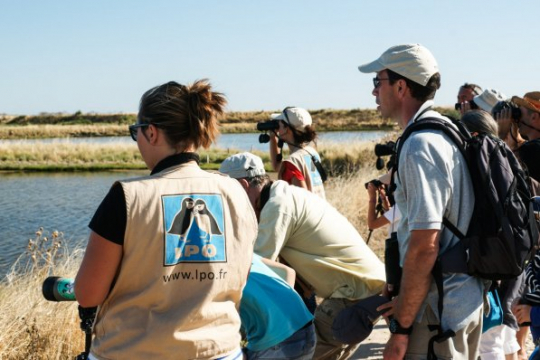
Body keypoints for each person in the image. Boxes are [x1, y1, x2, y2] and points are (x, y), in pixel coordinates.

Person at [74, 80, 258, 360]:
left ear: (151, 132)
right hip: (221, 351)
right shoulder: (235, 192)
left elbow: (88, 294)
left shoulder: (126, 197)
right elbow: (240, 275)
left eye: (135, 133)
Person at [358, 44, 484, 359]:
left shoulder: (419, 145)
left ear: (401, 86)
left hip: (435, 314)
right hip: (460, 300)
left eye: (378, 81)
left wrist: (401, 330)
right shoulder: (446, 132)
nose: (374, 92)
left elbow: (425, 244)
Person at [219, 152, 386, 360]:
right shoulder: (284, 194)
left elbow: (251, 272)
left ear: (243, 186)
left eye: (226, 194)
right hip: (367, 289)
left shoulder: (277, 208)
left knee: (299, 351)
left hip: (350, 295)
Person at [461, 110, 522, 360]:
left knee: (489, 343)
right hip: (510, 263)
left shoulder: (478, 164)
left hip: (486, 265)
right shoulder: (507, 159)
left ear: (473, 134)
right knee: (500, 337)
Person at [241, 254, 316, 359]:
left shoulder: (212, 269)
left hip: (273, 343)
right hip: (306, 328)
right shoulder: (244, 251)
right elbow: (289, 271)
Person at [268, 106, 326, 199]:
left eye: (279, 124)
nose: (277, 127)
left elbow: (303, 199)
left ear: (287, 129)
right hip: (320, 210)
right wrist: (273, 137)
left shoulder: (293, 162)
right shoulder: (311, 153)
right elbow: (277, 166)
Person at [511, 92, 540, 182]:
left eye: (520, 114)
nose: (517, 119)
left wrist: (503, 134)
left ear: (533, 117)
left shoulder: (532, 149)